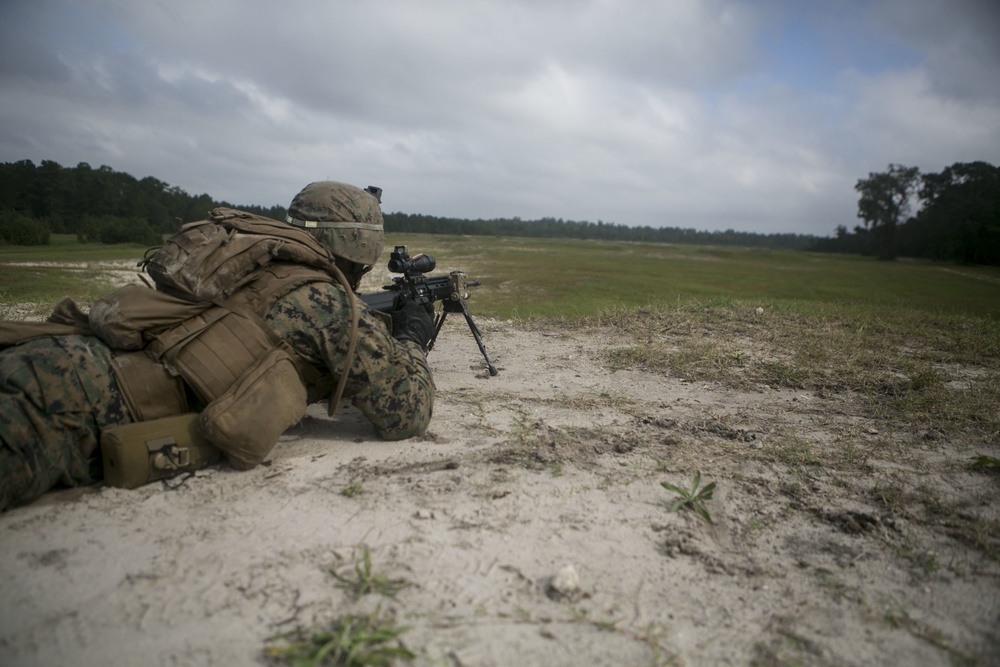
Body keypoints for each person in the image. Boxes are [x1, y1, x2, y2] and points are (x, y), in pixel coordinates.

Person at [0, 181, 435, 511]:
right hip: (73, 411)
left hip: (57, 357)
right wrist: (410, 336)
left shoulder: (248, 262)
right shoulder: (325, 301)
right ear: (361, 245)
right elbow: (406, 412)